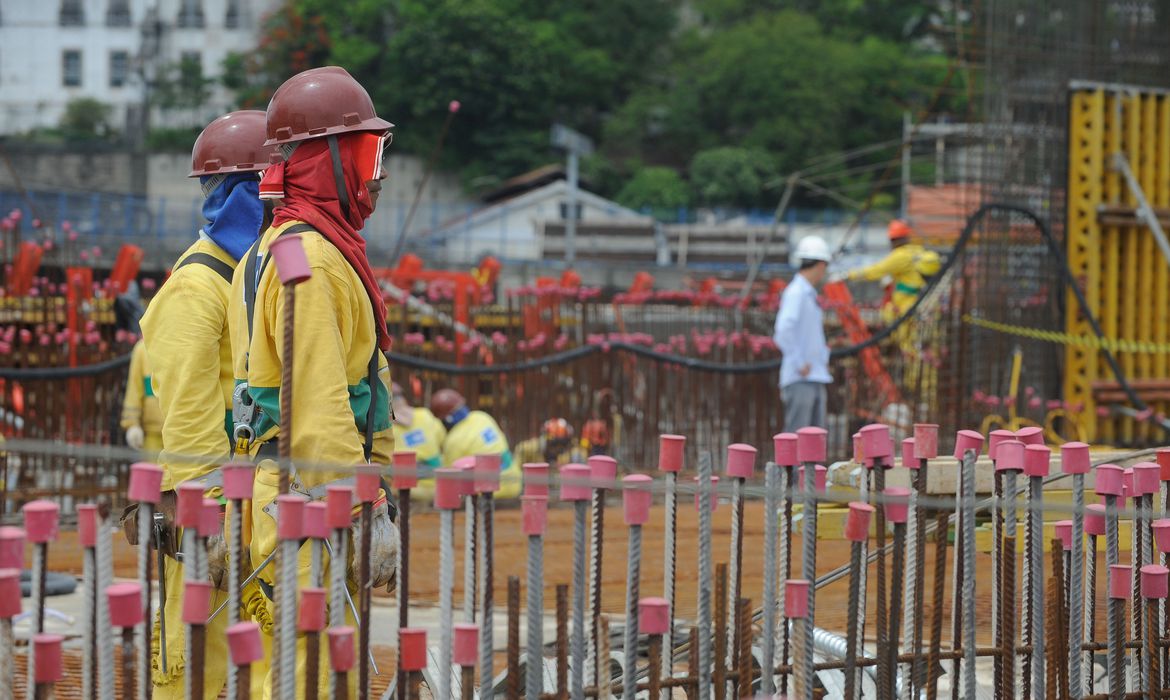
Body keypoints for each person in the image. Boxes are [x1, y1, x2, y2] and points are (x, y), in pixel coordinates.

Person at [228, 66, 399, 698]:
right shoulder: (314, 263)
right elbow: (321, 395)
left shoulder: (283, 245)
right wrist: (362, 503)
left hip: (295, 494)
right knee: (311, 679)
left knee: (302, 672)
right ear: (328, 161)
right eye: (365, 154)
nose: (376, 175)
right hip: (309, 501)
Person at [137, 110, 280, 698]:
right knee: (194, 658)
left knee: (265, 652)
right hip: (214, 507)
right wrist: (210, 511)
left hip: (256, 498)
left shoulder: (252, 275)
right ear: (245, 193)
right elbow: (188, 409)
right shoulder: (199, 285)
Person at [774, 235, 833, 432]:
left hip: (814, 375)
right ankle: (786, 466)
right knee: (797, 437)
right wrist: (799, 362)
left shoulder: (807, 293)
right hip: (800, 377)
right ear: (821, 264)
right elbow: (783, 330)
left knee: (814, 440)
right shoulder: (796, 293)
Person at [843, 219, 941, 324]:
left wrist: (849, 275)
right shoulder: (917, 250)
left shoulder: (900, 255)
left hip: (907, 307)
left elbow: (876, 270)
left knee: (904, 336)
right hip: (924, 305)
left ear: (893, 239)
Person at [430, 388, 517, 497]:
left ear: (446, 420)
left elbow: (448, 478)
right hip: (514, 482)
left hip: (488, 491)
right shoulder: (481, 416)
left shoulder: (454, 440)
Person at [390, 383, 447, 502]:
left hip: (405, 491)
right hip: (438, 487)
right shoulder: (425, 414)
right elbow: (442, 441)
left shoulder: (385, 427)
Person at [121, 338, 162, 452]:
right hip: (152, 434)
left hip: (183, 435)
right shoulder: (142, 350)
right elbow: (134, 391)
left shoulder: (185, 344)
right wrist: (132, 425)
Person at [513, 417, 586, 467]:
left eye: (562, 444)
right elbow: (520, 449)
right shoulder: (530, 448)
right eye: (554, 444)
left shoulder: (572, 454)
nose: (557, 448)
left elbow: (581, 453)